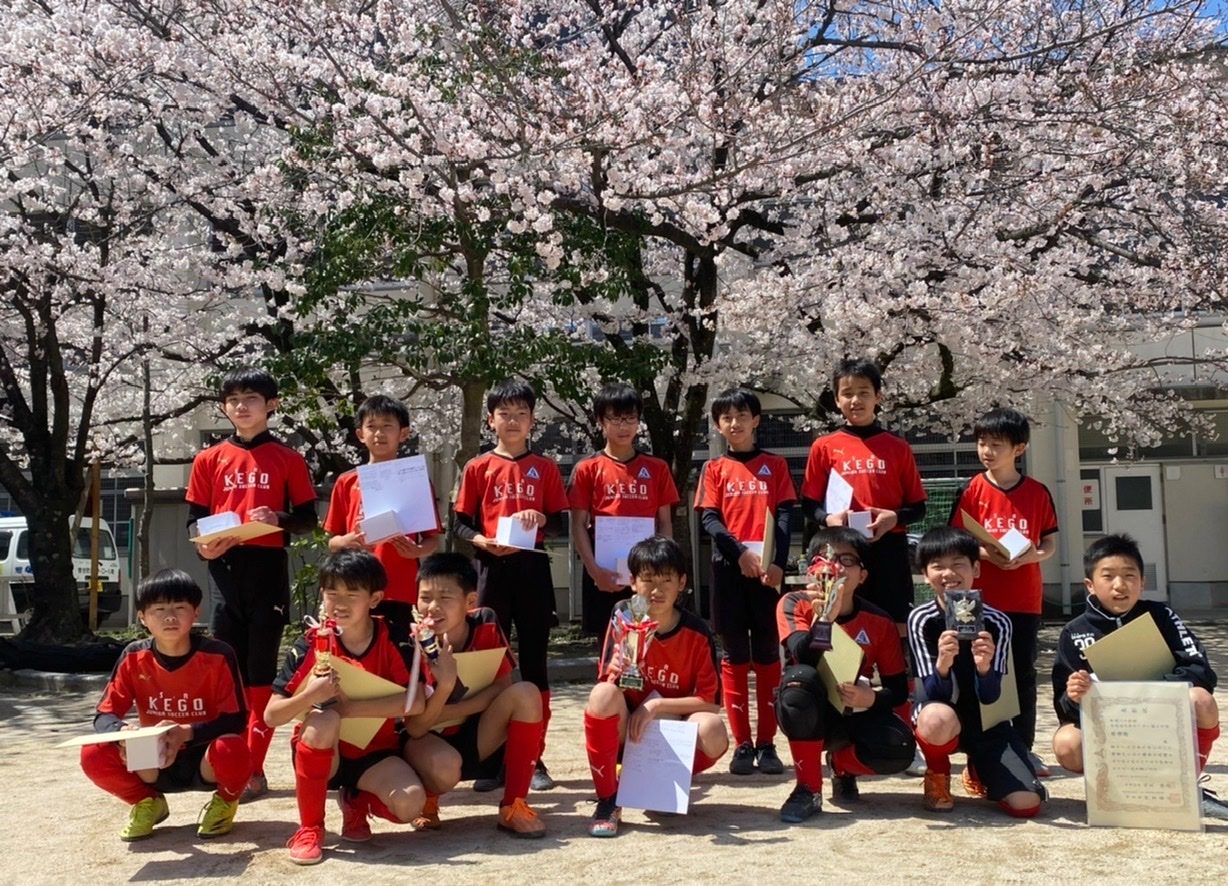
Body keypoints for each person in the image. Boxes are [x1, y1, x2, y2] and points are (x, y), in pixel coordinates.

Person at [185, 366, 318, 799]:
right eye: (233, 399)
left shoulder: (288, 458)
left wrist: (277, 517)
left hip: (267, 568)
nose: (241, 406)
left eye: (251, 398)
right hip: (224, 570)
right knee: (229, 671)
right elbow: (194, 520)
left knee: (261, 672)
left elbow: (307, 519)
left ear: (271, 405)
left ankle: (253, 771)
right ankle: (231, 762)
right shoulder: (208, 459)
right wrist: (203, 548)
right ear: (224, 406)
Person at [265, 549, 429, 865]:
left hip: (375, 752)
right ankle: (310, 828)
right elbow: (271, 715)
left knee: (410, 805)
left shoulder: (394, 637)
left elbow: (416, 702)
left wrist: (347, 707)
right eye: (331, 593)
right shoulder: (312, 641)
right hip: (325, 753)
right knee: (323, 720)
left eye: (352, 594)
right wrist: (310, 695)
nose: (340, 603)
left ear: (374, 598)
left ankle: (355, 801)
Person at [1051, 533, 1228, 819]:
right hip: (1112, 725)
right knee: (1067, 742)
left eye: (1129, 575)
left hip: (1162, 715)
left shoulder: (1162, 616)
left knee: (1202, 700)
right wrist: (1074, 695)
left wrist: (1151, 691)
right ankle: (1120, 788)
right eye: (1108, 576)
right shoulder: (1074, 632)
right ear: (1090, 585)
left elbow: (1200, 669)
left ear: (1142, 582)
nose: (1120, 585)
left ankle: (1184, 784)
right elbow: (1064, 708)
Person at [452, 379, 569, 790]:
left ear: (533, 420)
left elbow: (560, 523)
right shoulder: (477, 467)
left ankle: (533, 758)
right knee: (488, 667)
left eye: (521, 414)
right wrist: (480, 540)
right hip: (490, 569)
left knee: (535, 664)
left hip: (532, 569)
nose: (513, 420)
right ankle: (491, 759)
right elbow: (460, 523)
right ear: (491, 420)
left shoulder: (545, 468)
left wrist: (542, 520)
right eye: (505, 413)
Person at [79, 569, 252, 841]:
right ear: (142, 617)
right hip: (153, 758)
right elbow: (104, 715)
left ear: (195, 613)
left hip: (203, 755)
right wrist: (123, 732)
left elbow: (237, 718)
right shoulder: (134, 656)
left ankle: (226, 801)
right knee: (93, 752)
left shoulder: (218, 654)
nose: (170, 617)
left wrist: (186, 732)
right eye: (159, 609)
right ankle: (146, 801)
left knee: (233, 747)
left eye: (180, 608)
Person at [583, 536, 728, 837]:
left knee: (712, 730)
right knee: (601, 696)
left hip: (670, 724)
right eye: (648, 579)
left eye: (666, 579)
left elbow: (710, 701)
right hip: (628, 728)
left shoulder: (697, 631)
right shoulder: (624, 616)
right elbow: (607, 683)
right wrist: (621, 669)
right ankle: (608, 799)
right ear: (633, 582)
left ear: (682, 582)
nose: (657, 589)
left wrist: (655, 705)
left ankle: (663, 777)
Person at [774, 529, 916, 822]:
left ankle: (841, 765)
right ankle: (808, 789)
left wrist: (871, 697)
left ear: (862, 576)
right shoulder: (794, 603)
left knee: (899, 748)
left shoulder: (880, 621)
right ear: (811, 570)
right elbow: (803, 656)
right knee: (801, 679)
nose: (835, 566)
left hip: (852, 711)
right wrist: (826, 617)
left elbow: (898, 690)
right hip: (805, 706)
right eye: (824, 558)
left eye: (846, 559)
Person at [400, 552, 547, 837]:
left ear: (469, 601)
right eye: (425, 597)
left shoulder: (486, 622)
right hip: (425, 743)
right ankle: (428, 799)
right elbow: (414, 727)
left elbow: (504, 686)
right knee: (443, 766)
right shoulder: (408, 640)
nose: (432, 607)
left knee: (527, 693)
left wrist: (448, 710)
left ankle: (513, 805)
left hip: (474, 734)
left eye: (445, 598)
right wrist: (450, 690)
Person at [949, 407, 1058, 776]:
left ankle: (1023, 748)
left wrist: (1032, 556)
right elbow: (958, 542)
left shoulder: (1038, 492)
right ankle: (975, 752)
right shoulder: (971, 490)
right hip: (973, 600)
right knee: (972, 671)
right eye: (982, 443)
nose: (987, 451)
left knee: (1022, 673)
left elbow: (1049, 542)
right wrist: (988, 554)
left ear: (1019, 449)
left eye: (996, 444)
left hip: (1023, 599)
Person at [907, 527, 1044, 816]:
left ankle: (979, 767)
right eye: (937, 566)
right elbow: (932, 693)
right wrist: (943, 664)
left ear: (976, 569)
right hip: (942, 715)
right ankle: (938, 774)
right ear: (925, 574)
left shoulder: (998, 622)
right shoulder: (921, 619)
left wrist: (984, 668)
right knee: (936, 718)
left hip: (988, 721)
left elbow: (992, 697)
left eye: (958, 564)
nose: (948, 573)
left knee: (1027, 805)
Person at [694, 387, 796, 775]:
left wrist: (778, 564)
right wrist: (740, 554)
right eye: (726, 418)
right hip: (729, 570)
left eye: (741, 416)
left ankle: (768, 743)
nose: (734, 423)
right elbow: (709, 519)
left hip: (768, 573)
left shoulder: (775, 465)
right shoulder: (713, 469)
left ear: (756, 420)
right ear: (718, 425)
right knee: (735, 655)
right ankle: (742, 745)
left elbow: (784, 516)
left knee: (768, 654)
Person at [800, 358, 926, 635]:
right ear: (837, 400)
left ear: (878, 396)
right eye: (847, 393)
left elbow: (918, 508)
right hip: (842, 551)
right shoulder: (823, 446)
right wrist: (828, 519)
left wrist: (894, 518)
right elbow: (808, 504)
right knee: (839, 621)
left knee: (895, 625)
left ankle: (896, 664)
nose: (855, 400)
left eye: (864, 392)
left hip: (889, 548)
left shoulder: (898, 447)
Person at [325, 394, 442, 645]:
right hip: (355, 587)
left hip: (401, 586)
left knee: (400, 651)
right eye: (372, 426)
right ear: (360, 434)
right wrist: (346, 541)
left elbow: (433, 539)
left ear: (403, 433)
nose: (379, 433)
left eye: (387, 426)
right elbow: (332, 541)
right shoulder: (347, 482)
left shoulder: (416, 480)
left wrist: (417, 551)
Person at [569, 381, 680, 637]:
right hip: (603, 572)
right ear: (601, 421)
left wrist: (662, 568)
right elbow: (577, 524)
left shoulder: (657, 468)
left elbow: (664, 522)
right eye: (615, 419)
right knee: (608, 642)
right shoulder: (587, 468)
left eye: (630, 419)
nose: (623, 426)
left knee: (644, 638)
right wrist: (594, 571)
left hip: (647, 576)